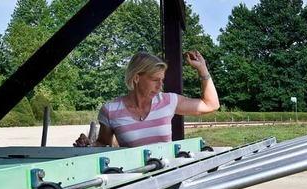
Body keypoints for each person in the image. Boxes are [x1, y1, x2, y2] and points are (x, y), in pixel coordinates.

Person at [75, 50, 219, 147]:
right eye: (155, 80)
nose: (160, 86)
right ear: (137, 77)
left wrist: (203, 69)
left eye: (162, 80)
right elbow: (103, 145)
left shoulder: (168, 101)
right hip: (133, 185)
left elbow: (211, 105)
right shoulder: (110, 110)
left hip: (167, 181)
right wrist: (88, 144)